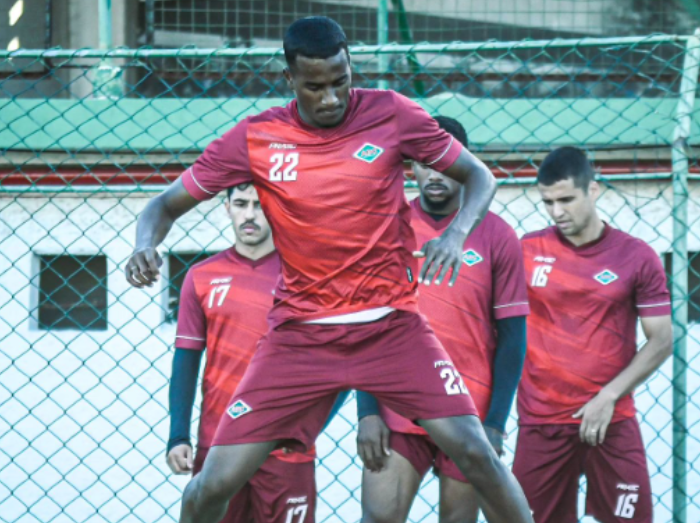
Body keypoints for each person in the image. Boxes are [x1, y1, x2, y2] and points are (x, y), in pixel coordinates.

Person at [125, 16, 534, 523]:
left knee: (477, 454)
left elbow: (478, 176)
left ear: (350, 67)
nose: (330, 98)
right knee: (211, 486)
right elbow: (162, 206)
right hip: (299, 337)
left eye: (340, 81)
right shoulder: (257, 137)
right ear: (290, 79)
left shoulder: (392, 113)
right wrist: (145, 243)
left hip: (391, 328)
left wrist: (456, 233)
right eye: (315, 87)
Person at [355, 116, 529, 523]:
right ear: (410, 167)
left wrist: (496, 424)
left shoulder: (497, 234)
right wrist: (367, 411)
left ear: (464, 163)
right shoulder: (386, 230)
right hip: (396, 405)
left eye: (443, 161)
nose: (433, 172)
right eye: (423, 162)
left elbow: (513, 339)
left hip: (468, 410)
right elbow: (366, 324)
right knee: (378, 518)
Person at [167, 183, 346, 523]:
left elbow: (342, 362)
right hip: (218, 444)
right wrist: (178, 434)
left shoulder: (308, 279)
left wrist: (309, 427)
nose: (249, 214)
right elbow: (186, 361)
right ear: (227, 207)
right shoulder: (202, 276)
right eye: (241, 204)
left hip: (285, 449)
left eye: (260, 205)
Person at [514, 146, 673, 523]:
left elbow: (662, 339)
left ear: (594, 190)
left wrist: (609, 395)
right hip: (542, 421)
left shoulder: (636, 256)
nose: (557, 212)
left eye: (566, 199)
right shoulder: (526, 251)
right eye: (548, 202)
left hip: (611, 418)